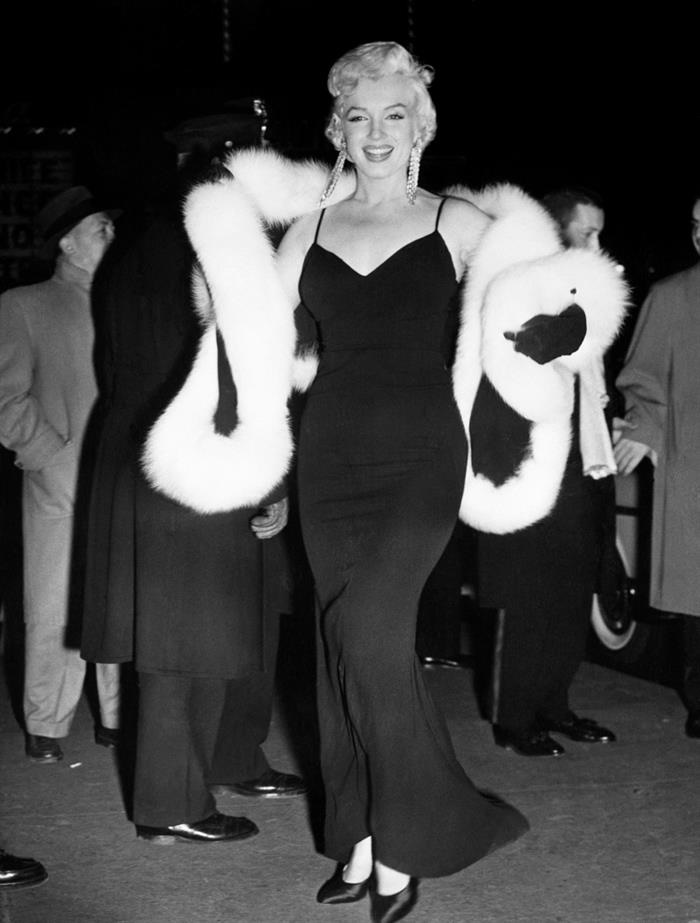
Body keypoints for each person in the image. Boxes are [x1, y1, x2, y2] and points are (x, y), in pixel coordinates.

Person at [161, 41, 626, 921]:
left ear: (422, 128)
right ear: (337, 130)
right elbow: (253, 338)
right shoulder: (309, 230)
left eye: (395, 114)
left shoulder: (460, 222)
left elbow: (552, 301)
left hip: (421, 455)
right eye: (359, 116)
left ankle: (417, 833)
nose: (377, 131)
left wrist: (561, 329)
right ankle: (360, 833)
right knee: (337, 641)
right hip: (331, 455)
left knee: (370, 632)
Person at [79, 116, 305, 847]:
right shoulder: (203, 250)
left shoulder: (147, 243)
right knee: (187, 642)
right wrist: (268, 477)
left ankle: (232, 758)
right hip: (192, 468)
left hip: (165, 461)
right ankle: (170, 801)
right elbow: (232, 375)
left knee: (239, 624)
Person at [476, 184, 624, 758]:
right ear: (555, 230)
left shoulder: (587, 288)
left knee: (571, 587)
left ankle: (555, 704)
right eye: (587, 232)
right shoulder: (518, 282)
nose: (597, 244)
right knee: (524, 590)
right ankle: (513, 716)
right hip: (530, 458)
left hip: (583, 458)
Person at [0, 187, 120, 763]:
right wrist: (48, 455)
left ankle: (118, 718)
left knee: (118, 600)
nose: (112, 236)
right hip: (59, 482)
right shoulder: (24, 304)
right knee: (52, 604)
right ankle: (46, 721)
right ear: (68, 244)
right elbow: (6, 398)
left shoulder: (123, 301)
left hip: (120, 479)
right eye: (101, 228)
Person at [614, 192, 700, 739]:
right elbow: (642, 378)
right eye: (696, 225)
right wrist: (644, 428)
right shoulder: (671, 297)